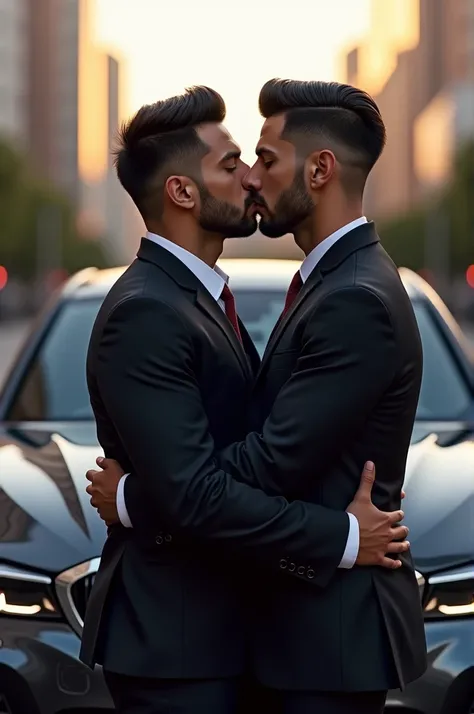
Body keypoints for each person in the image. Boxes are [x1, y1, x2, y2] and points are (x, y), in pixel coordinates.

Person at [82, 84, 411, 714]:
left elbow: (256, 461)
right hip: (179, 639)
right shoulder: (151, 309)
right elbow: (219, 475)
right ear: (182, 191)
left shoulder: (347, 295)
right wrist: (339, 536)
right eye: (234, 164)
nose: (252, 179)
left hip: (300, 638)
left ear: (320, 170)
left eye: (260, 160)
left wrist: (133, 499)